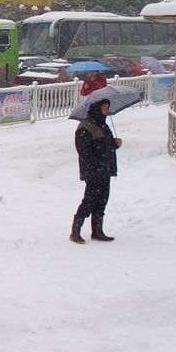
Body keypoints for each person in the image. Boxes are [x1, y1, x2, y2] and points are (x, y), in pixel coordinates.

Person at [70, 99, 122, 244]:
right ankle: (75, 232)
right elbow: (84, 151)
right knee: (89, 200)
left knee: (102, 201)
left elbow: (108, 146)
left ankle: (97, 231)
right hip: (94, 172)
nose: (106, 109)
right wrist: (97, 166)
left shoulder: (103, 125)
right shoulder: (85, 127)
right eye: (104, 107)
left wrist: (115, 144)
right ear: (96, 108)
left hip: (105, 170)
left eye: (107, 107)